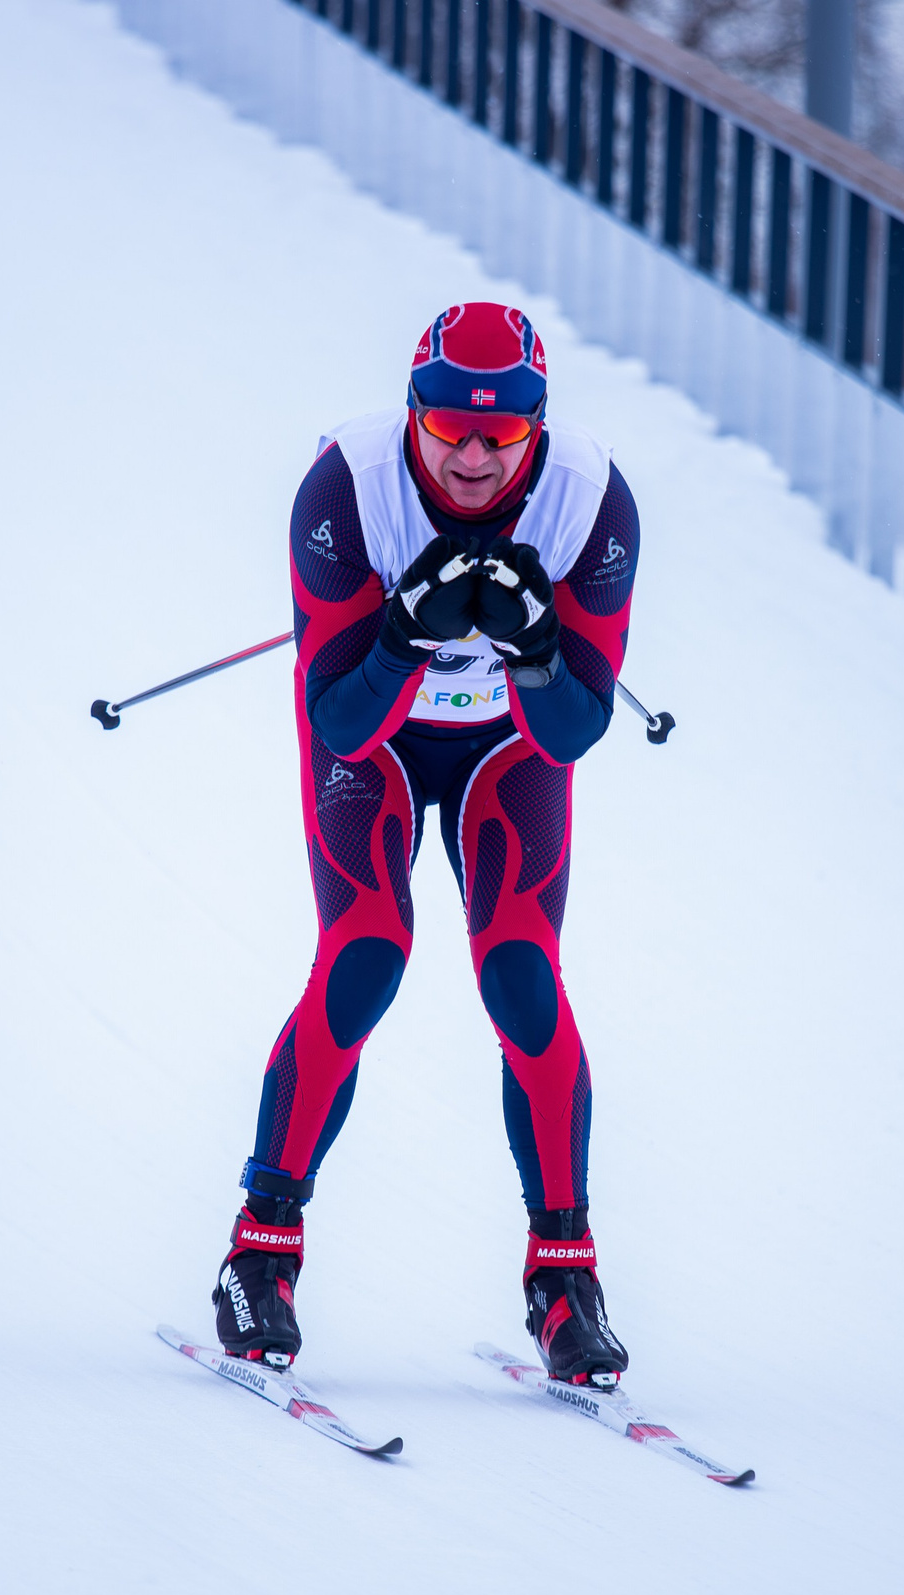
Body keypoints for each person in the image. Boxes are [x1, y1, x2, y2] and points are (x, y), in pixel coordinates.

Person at [211, 302, 640, 1390]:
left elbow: (578, 730)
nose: (472, 455)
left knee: (521, 975)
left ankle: (564, 1279)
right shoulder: (347, 490)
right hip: (381, 742)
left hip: (508, 751)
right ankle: (259, 1253)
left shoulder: (591, 503)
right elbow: (339, 722)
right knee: (366, 954)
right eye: (448, 426)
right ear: (413, 410)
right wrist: (405, 631)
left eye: (504, 436)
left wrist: (539, 651)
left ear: (539, 429)